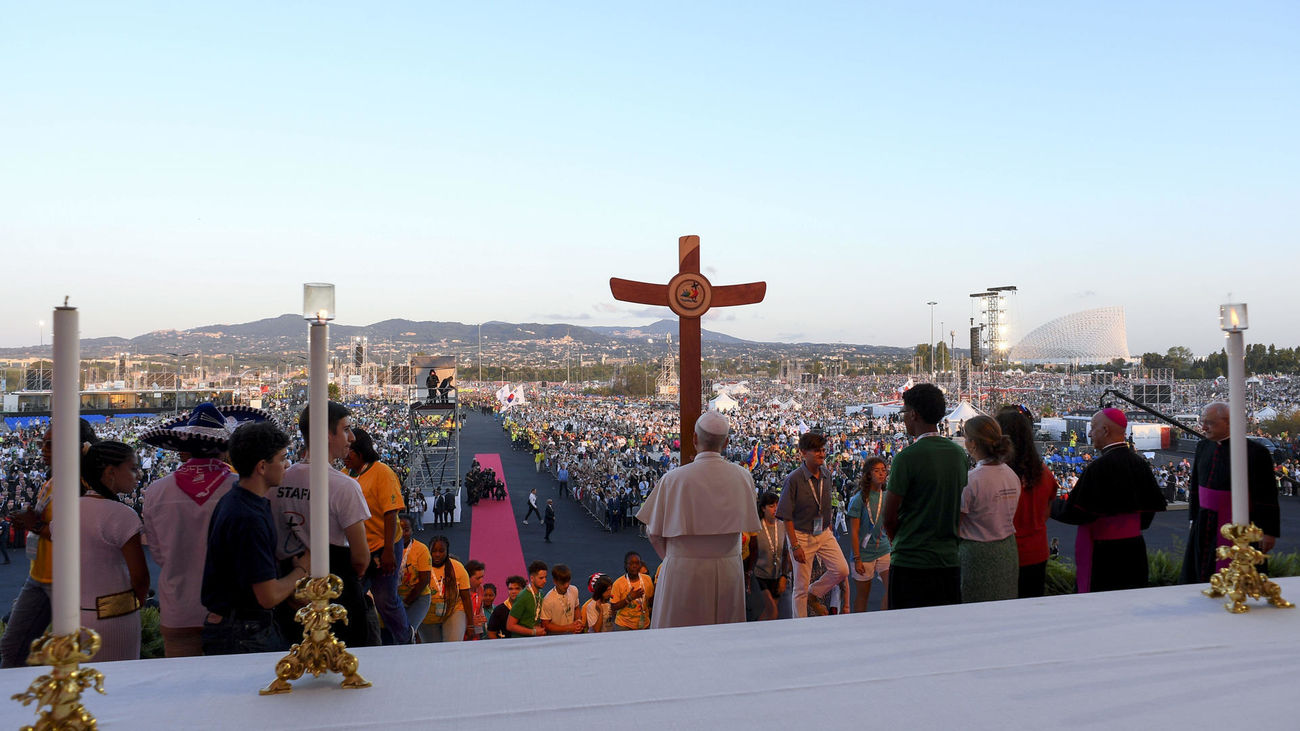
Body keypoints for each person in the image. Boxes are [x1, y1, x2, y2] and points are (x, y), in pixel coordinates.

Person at [141, 403, 269, 657]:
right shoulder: (244, 489)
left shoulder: (156, 491)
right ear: (226, 450)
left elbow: (157, 553)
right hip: (231, 612)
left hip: (177, 609)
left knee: (181, 687)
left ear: (182, 450)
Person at [637, 410, 760, 628]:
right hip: (728, 570)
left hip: (683, 571)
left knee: (679, 641)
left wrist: (675, 557)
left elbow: (653, 533)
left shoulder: (673, 479)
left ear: (694, 439)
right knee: (724, 638)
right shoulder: (744, 476)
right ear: (727, 442)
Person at [201, 422, 310, 655]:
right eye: (281, 458)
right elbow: (268, 596)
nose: (286, 464)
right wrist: (301, 571)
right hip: (242, 633)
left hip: (239, 627)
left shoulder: (236, 500)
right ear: (262, 466)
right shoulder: (248, 517)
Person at [269, 402, 372, 647]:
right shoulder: (345, 487)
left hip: (288, 594)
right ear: (326, 434)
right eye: (346, 429)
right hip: (338, 595)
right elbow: (360, 558)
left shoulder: (276, 484)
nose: (352, 437)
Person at [1, 418, 97, 668]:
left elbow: (78, 534)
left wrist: (34, 524)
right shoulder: (53, 480)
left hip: (67, 581)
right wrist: (30, 519)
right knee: (12, 647)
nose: (43, 449)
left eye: (51, 444)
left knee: (72, 654)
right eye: (43, 443)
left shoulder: (85, 486)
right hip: (39, 576)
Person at [1051, 408, 1167, 593]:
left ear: (1105, 430)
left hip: (1104, 554)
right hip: (1135, 550)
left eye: (1093, 428)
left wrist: (1049, 505)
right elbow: (1149, 511)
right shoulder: (1140, 464)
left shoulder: (1098, 468)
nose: (1090, 433)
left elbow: (1075, 513)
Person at [881, 383, 968, 609]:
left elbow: (889, 517)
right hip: (948, 560)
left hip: (911, 562)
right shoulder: (958, 454)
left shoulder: (907, 458)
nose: (904, 419)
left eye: (904, 413)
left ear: (914, 414)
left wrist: (899, 542)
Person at [1179, 402, 1282, 583]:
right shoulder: (1203, 446)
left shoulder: (1256, 452)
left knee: (1242, 577)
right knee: (1199, 572)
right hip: (1204, 522)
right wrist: (1193, 518)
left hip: (1241, 525)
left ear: (1229, 422)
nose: (1203, 427)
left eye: (1209, 423)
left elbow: (1267, 495)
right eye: (1203, 422)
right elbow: (1195, 488)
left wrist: (1268, 531)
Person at [79, 441, 150, 661]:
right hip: (116, 619)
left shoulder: (66, 509)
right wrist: (136, 602)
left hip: (73, 616)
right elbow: (140, 578)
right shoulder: (122, 515)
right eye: (133, 468)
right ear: (111, 471)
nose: (138, 474)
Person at [346, 427, 410, 645]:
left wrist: (389, 552)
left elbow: (391, 513)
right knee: (352, 599)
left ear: (360, 453)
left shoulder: (382, 473)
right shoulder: (345, 475)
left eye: (349, 453)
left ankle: (404, 640)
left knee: (385, 600)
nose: (345, 457)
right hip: (360, 549)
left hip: (385, 545)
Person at [776, 431, 849, 618]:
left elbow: (824, 504)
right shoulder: (793, 479)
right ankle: (801, 628)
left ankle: (814, 592)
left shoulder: (826, 474)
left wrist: (829, 524)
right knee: (799, 587)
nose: (822, 454)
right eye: (816, 451)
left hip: (823, 531)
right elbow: (786, 516)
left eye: (823, 450)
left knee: (841, 569)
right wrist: (795, 545)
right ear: (803, 452)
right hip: (801, 535)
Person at [996, 406, 1058, 598]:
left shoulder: (996, 475)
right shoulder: (1045, 474)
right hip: (1036, 551)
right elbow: (1046, 513)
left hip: (1003, 553)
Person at [958, 416, 1021, 603]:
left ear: (973, 444)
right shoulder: (1011, 475)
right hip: (1007, 550)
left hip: (977, 554)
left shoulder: (972, 480)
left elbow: (955, 524)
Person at [846, 457, 892, 612]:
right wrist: (857, 558)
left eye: (883, 470)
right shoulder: (858, 499)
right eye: (876, 470)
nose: (881, 474)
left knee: (891, 589)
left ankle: (885, 622)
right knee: (862, 596)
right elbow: (854, 532)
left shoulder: (886, 496)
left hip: (883, 549)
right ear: (868, 475)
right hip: (863, 553)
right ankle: (860, 629)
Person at [418, 535, 473, 642]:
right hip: (428, 616)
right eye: (434, 551)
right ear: (429, 551)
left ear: (447, 551)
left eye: (441, 551)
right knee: (433, 650)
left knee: (453, 646)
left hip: (453, 611)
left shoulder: (458, 568)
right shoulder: (421, 567)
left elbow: (466, 598)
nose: (437, 554)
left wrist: (471, 625)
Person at [746, 491, 790, 621]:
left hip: (777, 576)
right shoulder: (756, 528)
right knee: (772, 610)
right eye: (771, 506)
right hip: (760, 577)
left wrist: (784, 575)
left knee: (772, 616)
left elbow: (785, 553)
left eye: (777, 505)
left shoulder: (783, 527)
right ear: (763, 508)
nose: (775, 509)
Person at [396, 517, 432, 639]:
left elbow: (424, 580)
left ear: (412, 530)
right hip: (394, 598)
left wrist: (406, 602)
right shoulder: (388, 548)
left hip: (418, 597)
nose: (401, 534)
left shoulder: (421, 549)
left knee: (407, 631)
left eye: (406, 530)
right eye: (398, 529)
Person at [608, 552, 653, 631]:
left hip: (644, 624)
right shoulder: (618, 583)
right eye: (631, 563)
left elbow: (651, 600)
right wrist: (629, 598)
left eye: (637, 563)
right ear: (626, 565)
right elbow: (613, 606)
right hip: (624, 626)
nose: (634, 566)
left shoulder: (647, 579)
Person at [507, 561, 548, 638]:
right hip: (520, 642)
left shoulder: (541, 594)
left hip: (534, 640)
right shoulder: (523, 596)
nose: (545, 581)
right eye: (541, 578)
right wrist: (533, 632)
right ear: (532, 578)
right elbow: (510, 625)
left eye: (545, 577)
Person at [539, 563, 584, 635]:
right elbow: (545, 625)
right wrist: (568, 628)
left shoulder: (574, 590)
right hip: (556, 640)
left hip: (573, 636)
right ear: (555, 581)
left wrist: (578, 620)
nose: (566, 585)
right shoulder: (548, 600)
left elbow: (576, 608)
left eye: (568, 581)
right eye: (563, 583)